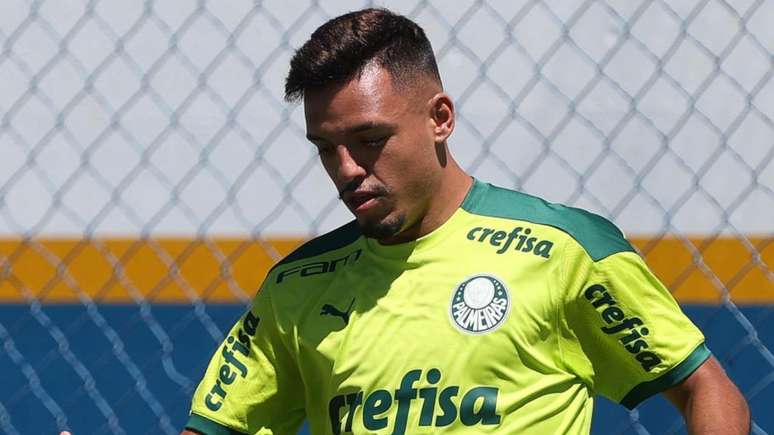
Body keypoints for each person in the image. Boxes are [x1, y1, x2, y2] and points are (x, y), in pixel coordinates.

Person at [181, 8, 749, 435]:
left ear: (440, 118)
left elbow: (707, 388)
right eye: (326, 148)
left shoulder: (566, 250)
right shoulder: (297, 287)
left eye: (370, 140)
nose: (347, 170)